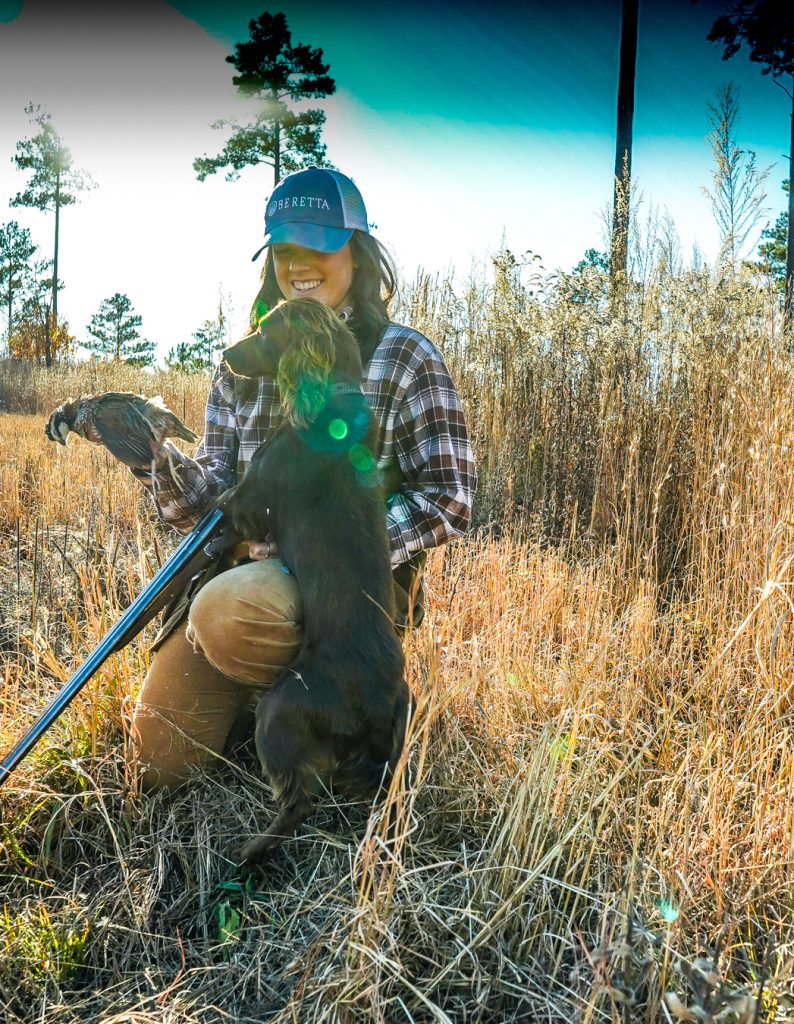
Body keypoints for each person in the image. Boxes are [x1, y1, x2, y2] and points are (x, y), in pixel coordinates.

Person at [125, 167, 477, 789]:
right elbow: (206, 505)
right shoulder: (241, 363)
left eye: (322, 245)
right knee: (157, 766)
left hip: (346, 593)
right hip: (239, 578)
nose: (301, 263)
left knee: (231, 612)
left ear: (358, 255)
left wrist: (327, 547)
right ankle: (274, 705)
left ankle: (355, 701)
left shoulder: (404, 355)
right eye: (286, 249)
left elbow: (449, 496)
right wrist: (149, 455)